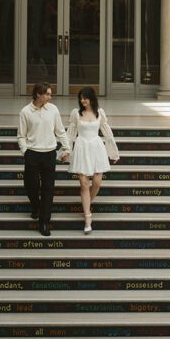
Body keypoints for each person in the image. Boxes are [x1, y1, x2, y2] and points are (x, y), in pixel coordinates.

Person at [17, 83, 70, 237]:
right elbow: (21, 135)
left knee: (48, 188)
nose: (50, 97)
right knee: (30, 185)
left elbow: (60, 131)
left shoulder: (53, 109)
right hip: (32, 153)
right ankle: (36, 206)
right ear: (38, 95)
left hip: (49, 154)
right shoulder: (25, 112)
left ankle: (44, 221)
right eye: (47, 94)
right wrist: (25, 151)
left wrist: (66, 148)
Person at [66, 87, 119, 234]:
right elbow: (70, 134)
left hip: (96, 148)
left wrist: (113, 153)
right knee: (84, 183)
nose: (83, 100)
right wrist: (66, 150)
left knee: (96, 183)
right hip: (82, 147)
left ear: (91, 98)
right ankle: (87, 217)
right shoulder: (76, 114)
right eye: (81, 98)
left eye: (85, 97)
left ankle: (87, 202)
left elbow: (107, 133)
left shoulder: (99, 113)